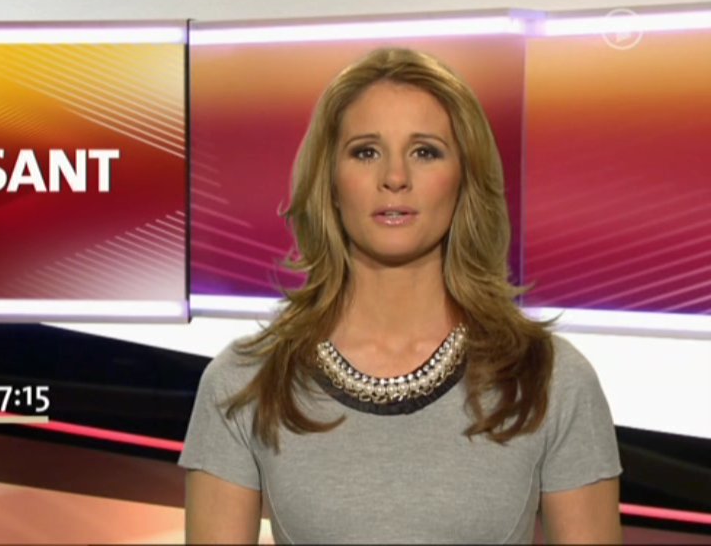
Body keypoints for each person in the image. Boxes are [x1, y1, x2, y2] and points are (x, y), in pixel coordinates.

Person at [178, 47, 622, 544]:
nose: (394, 178)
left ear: (465, 178)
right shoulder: (245, 382)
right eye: (366, 151)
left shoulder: (549, 379)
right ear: (330, 180)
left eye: (425, 151)